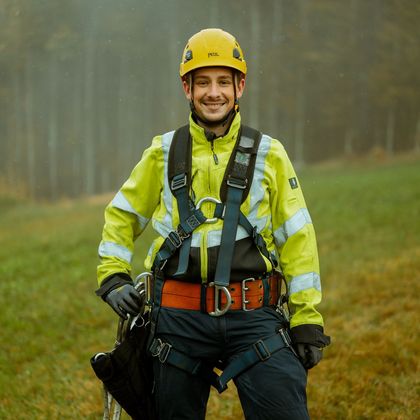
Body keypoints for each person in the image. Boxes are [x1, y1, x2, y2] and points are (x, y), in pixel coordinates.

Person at [96, 28, 330, 420]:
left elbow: (298, 237)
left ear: (241, 86)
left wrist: (306, 318)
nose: (213, 92)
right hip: (178, 321)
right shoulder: (162, 152)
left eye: (224, 81)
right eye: (202, 82)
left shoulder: (270, 154)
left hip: (255, 317)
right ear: (186, 89)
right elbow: (122, 215)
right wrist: (113, 277)